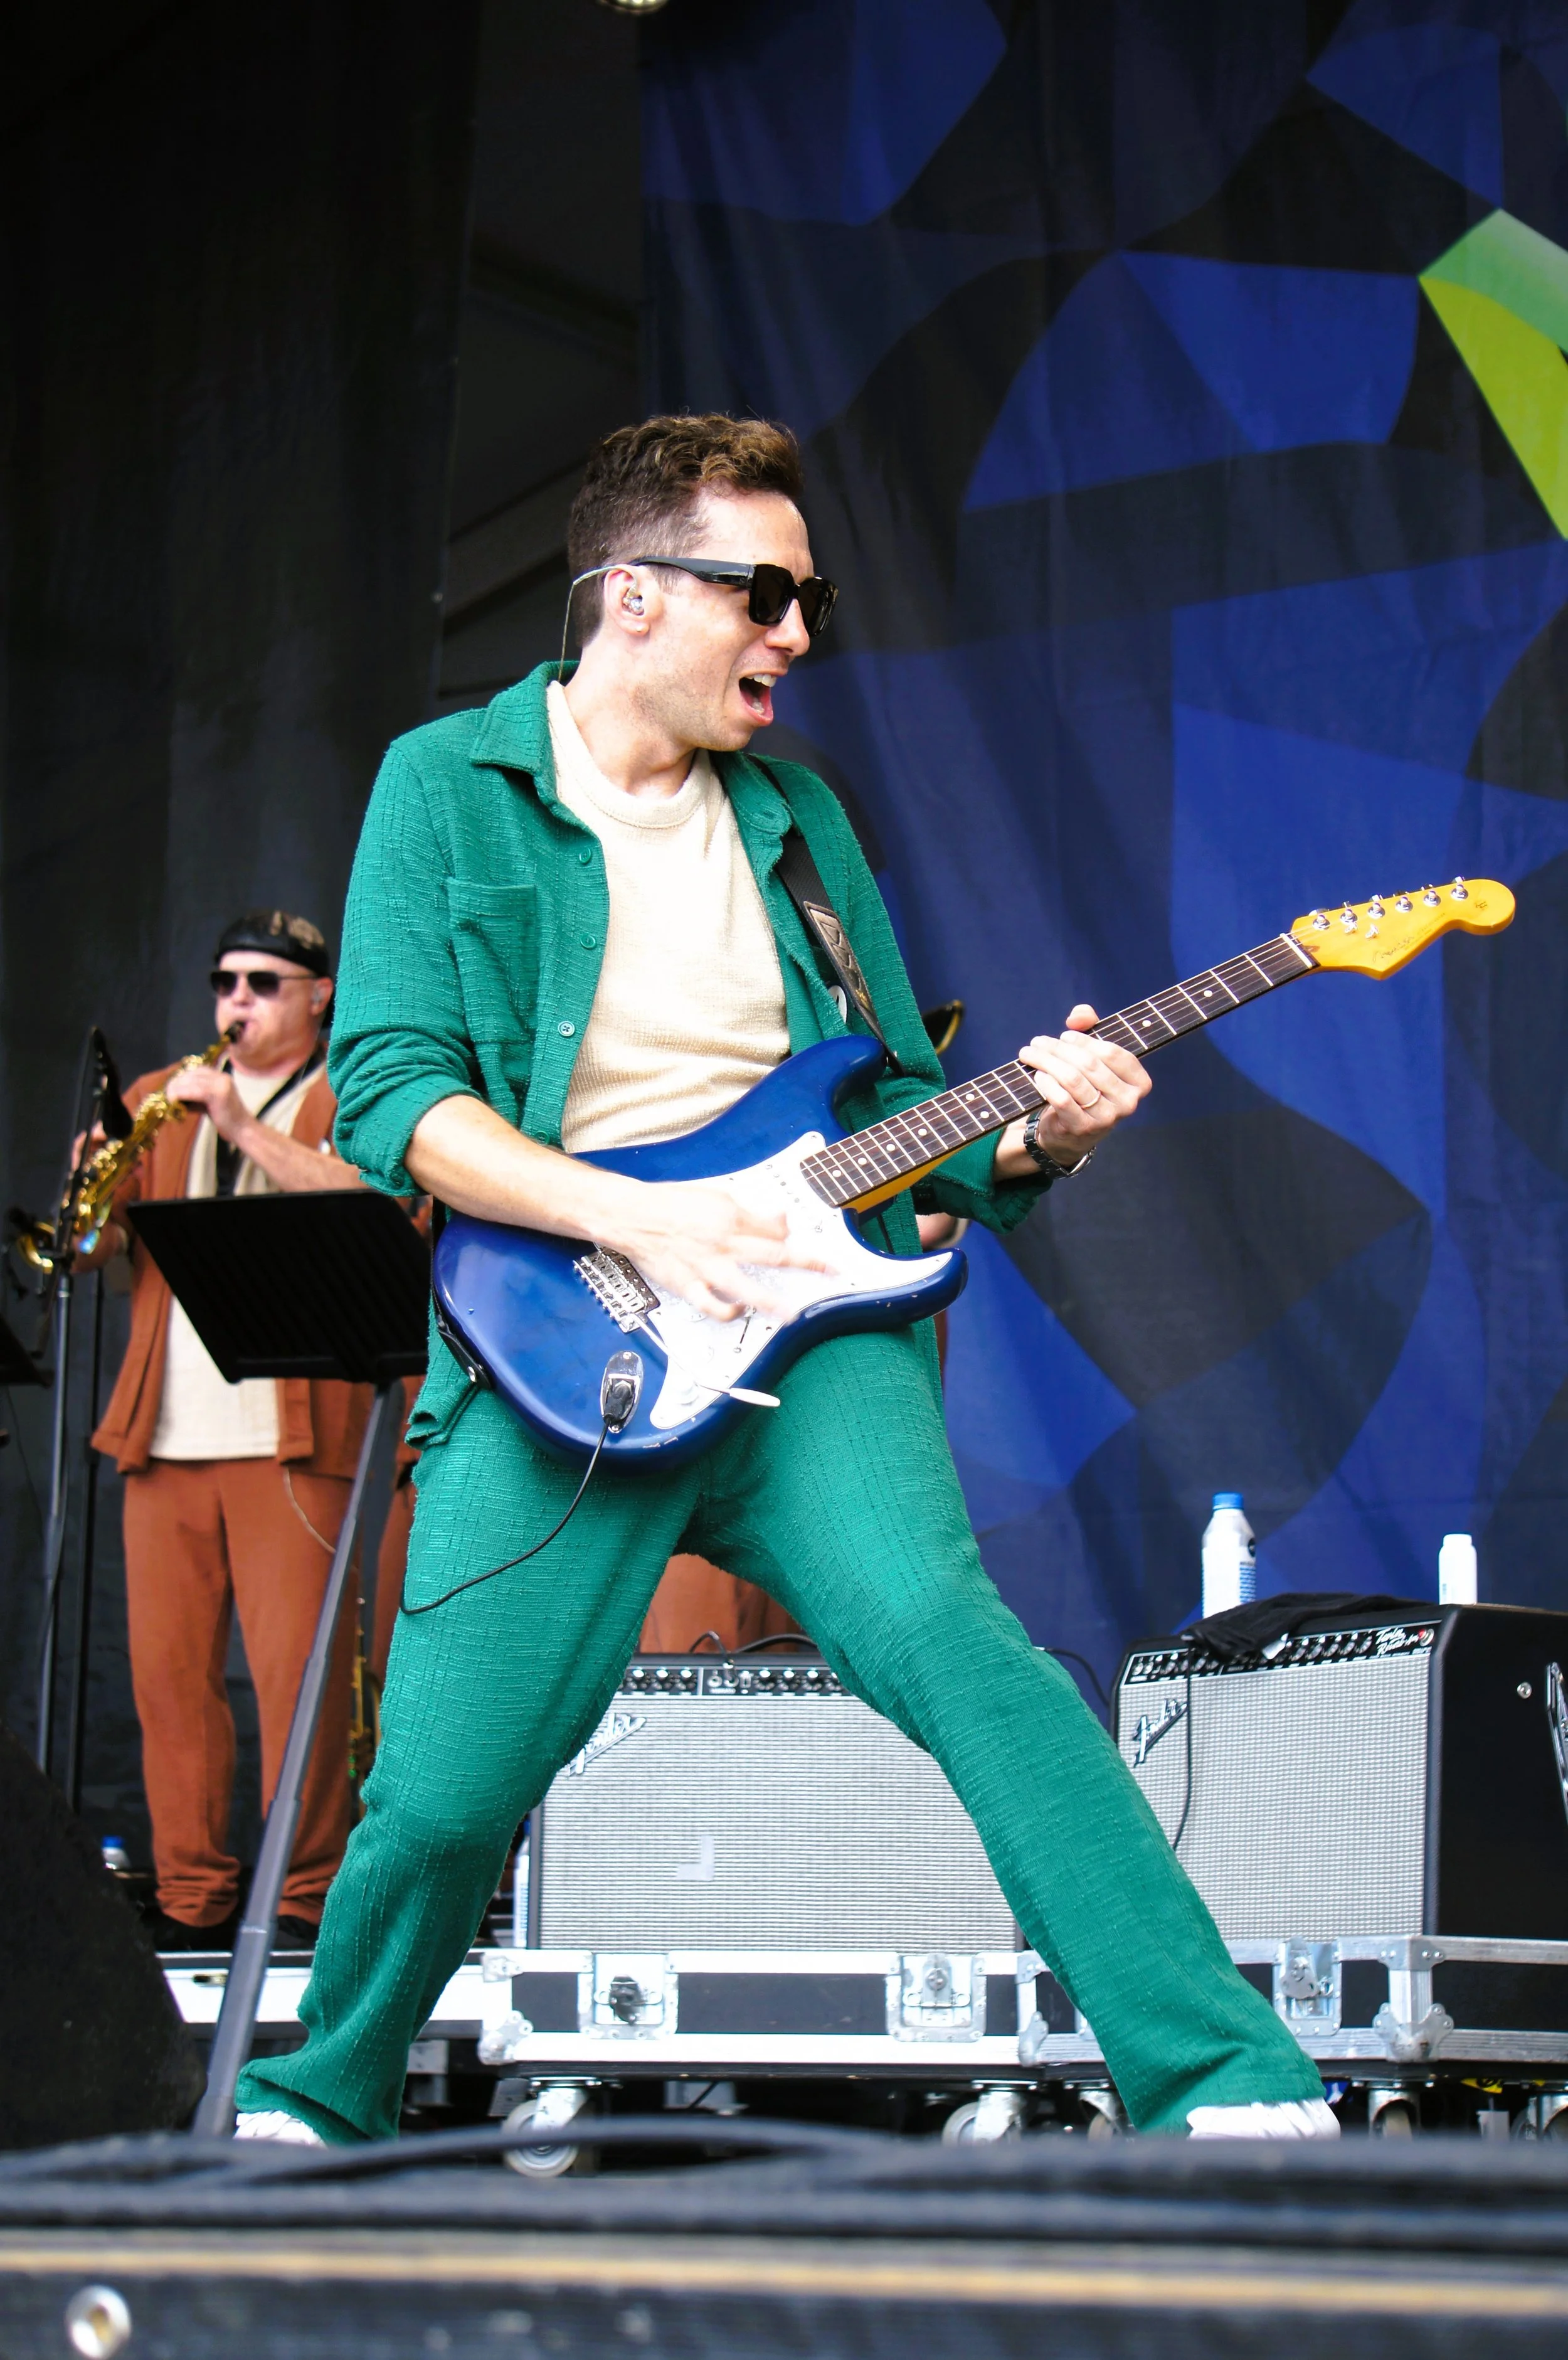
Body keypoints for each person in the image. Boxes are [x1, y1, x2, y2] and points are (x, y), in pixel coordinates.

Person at [235, 416, 1334, 2142]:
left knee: (962, 1654)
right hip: (557, 1341)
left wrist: (1040, 1133)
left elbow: (898, 1096)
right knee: (444, 1795)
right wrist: (634, 1217)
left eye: (805, 598)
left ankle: (1226, 2083)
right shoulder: (443, 785)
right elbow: (388, 1094)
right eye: (761, 592)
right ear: (627, 597)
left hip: (811, 1345)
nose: (796, 634)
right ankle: (319, 2098)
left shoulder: (799, 814)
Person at [85, 913, 367, 1950]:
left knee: (301, 1683)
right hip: (166, 1435)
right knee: (168, 1682)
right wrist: (95, 1199)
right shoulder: (159, 1098)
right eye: (224, 984)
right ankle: (192, 1900)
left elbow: (367, 1207)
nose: (236, 1004)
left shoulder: (350, 1092)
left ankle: (303, 1903)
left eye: (262, 983)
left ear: (318, 995)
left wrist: (243, 1128)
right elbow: (91, 1249)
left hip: (289, 1438)